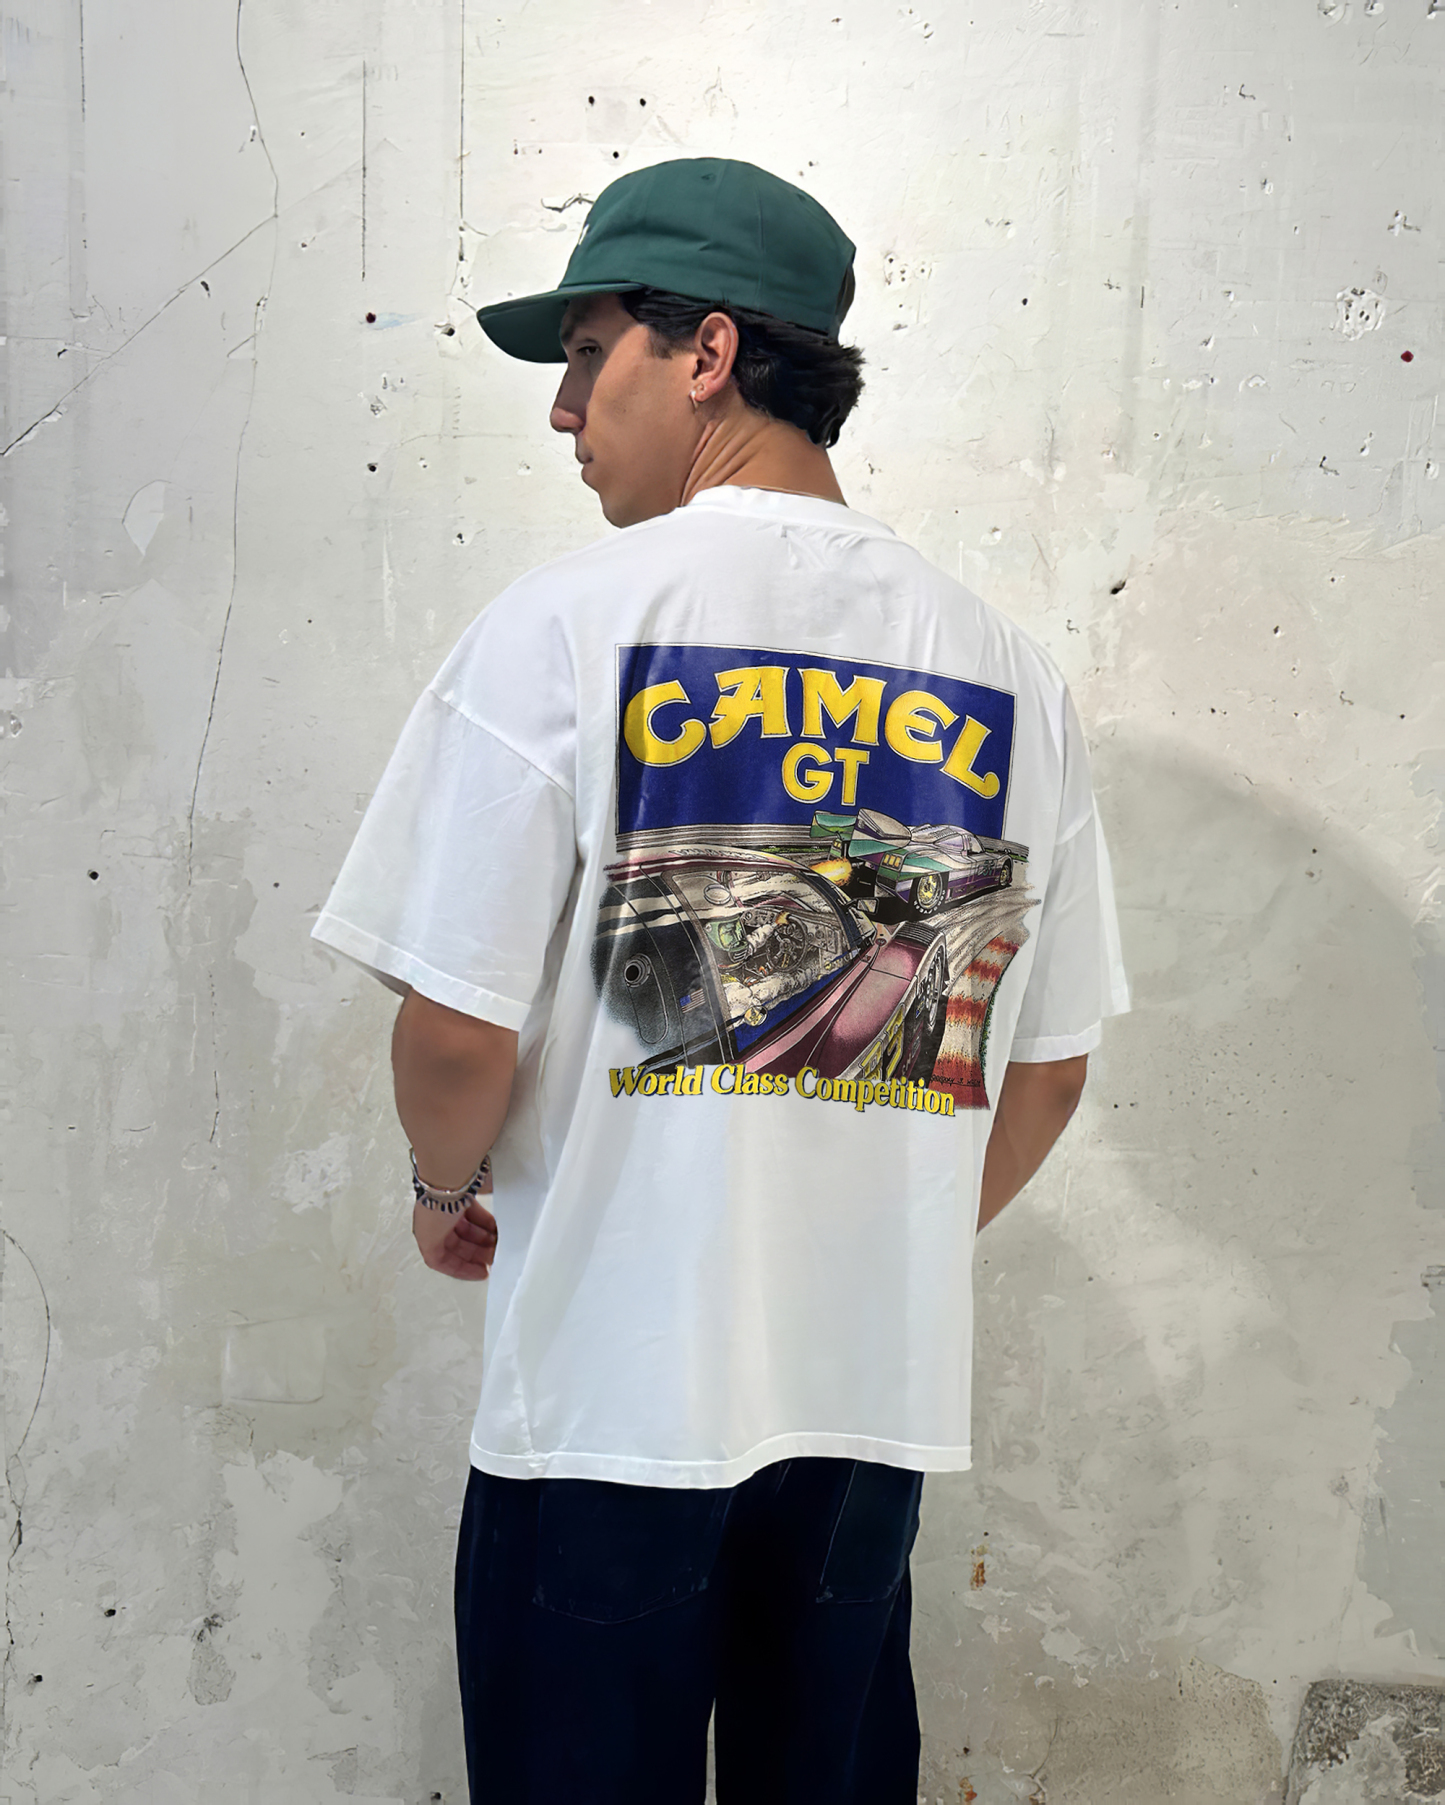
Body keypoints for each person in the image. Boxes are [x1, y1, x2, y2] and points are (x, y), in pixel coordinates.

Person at [312, 156, 1129, 1805]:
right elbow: (1044, 1068)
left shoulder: (560, 629)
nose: (563, 409)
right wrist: (877, 1228)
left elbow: (456, 1031)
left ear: (705, 352)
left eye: (584, 351)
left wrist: (442, 1187)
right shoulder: (1004, 670)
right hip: (864, 1410)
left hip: (607, 1401)